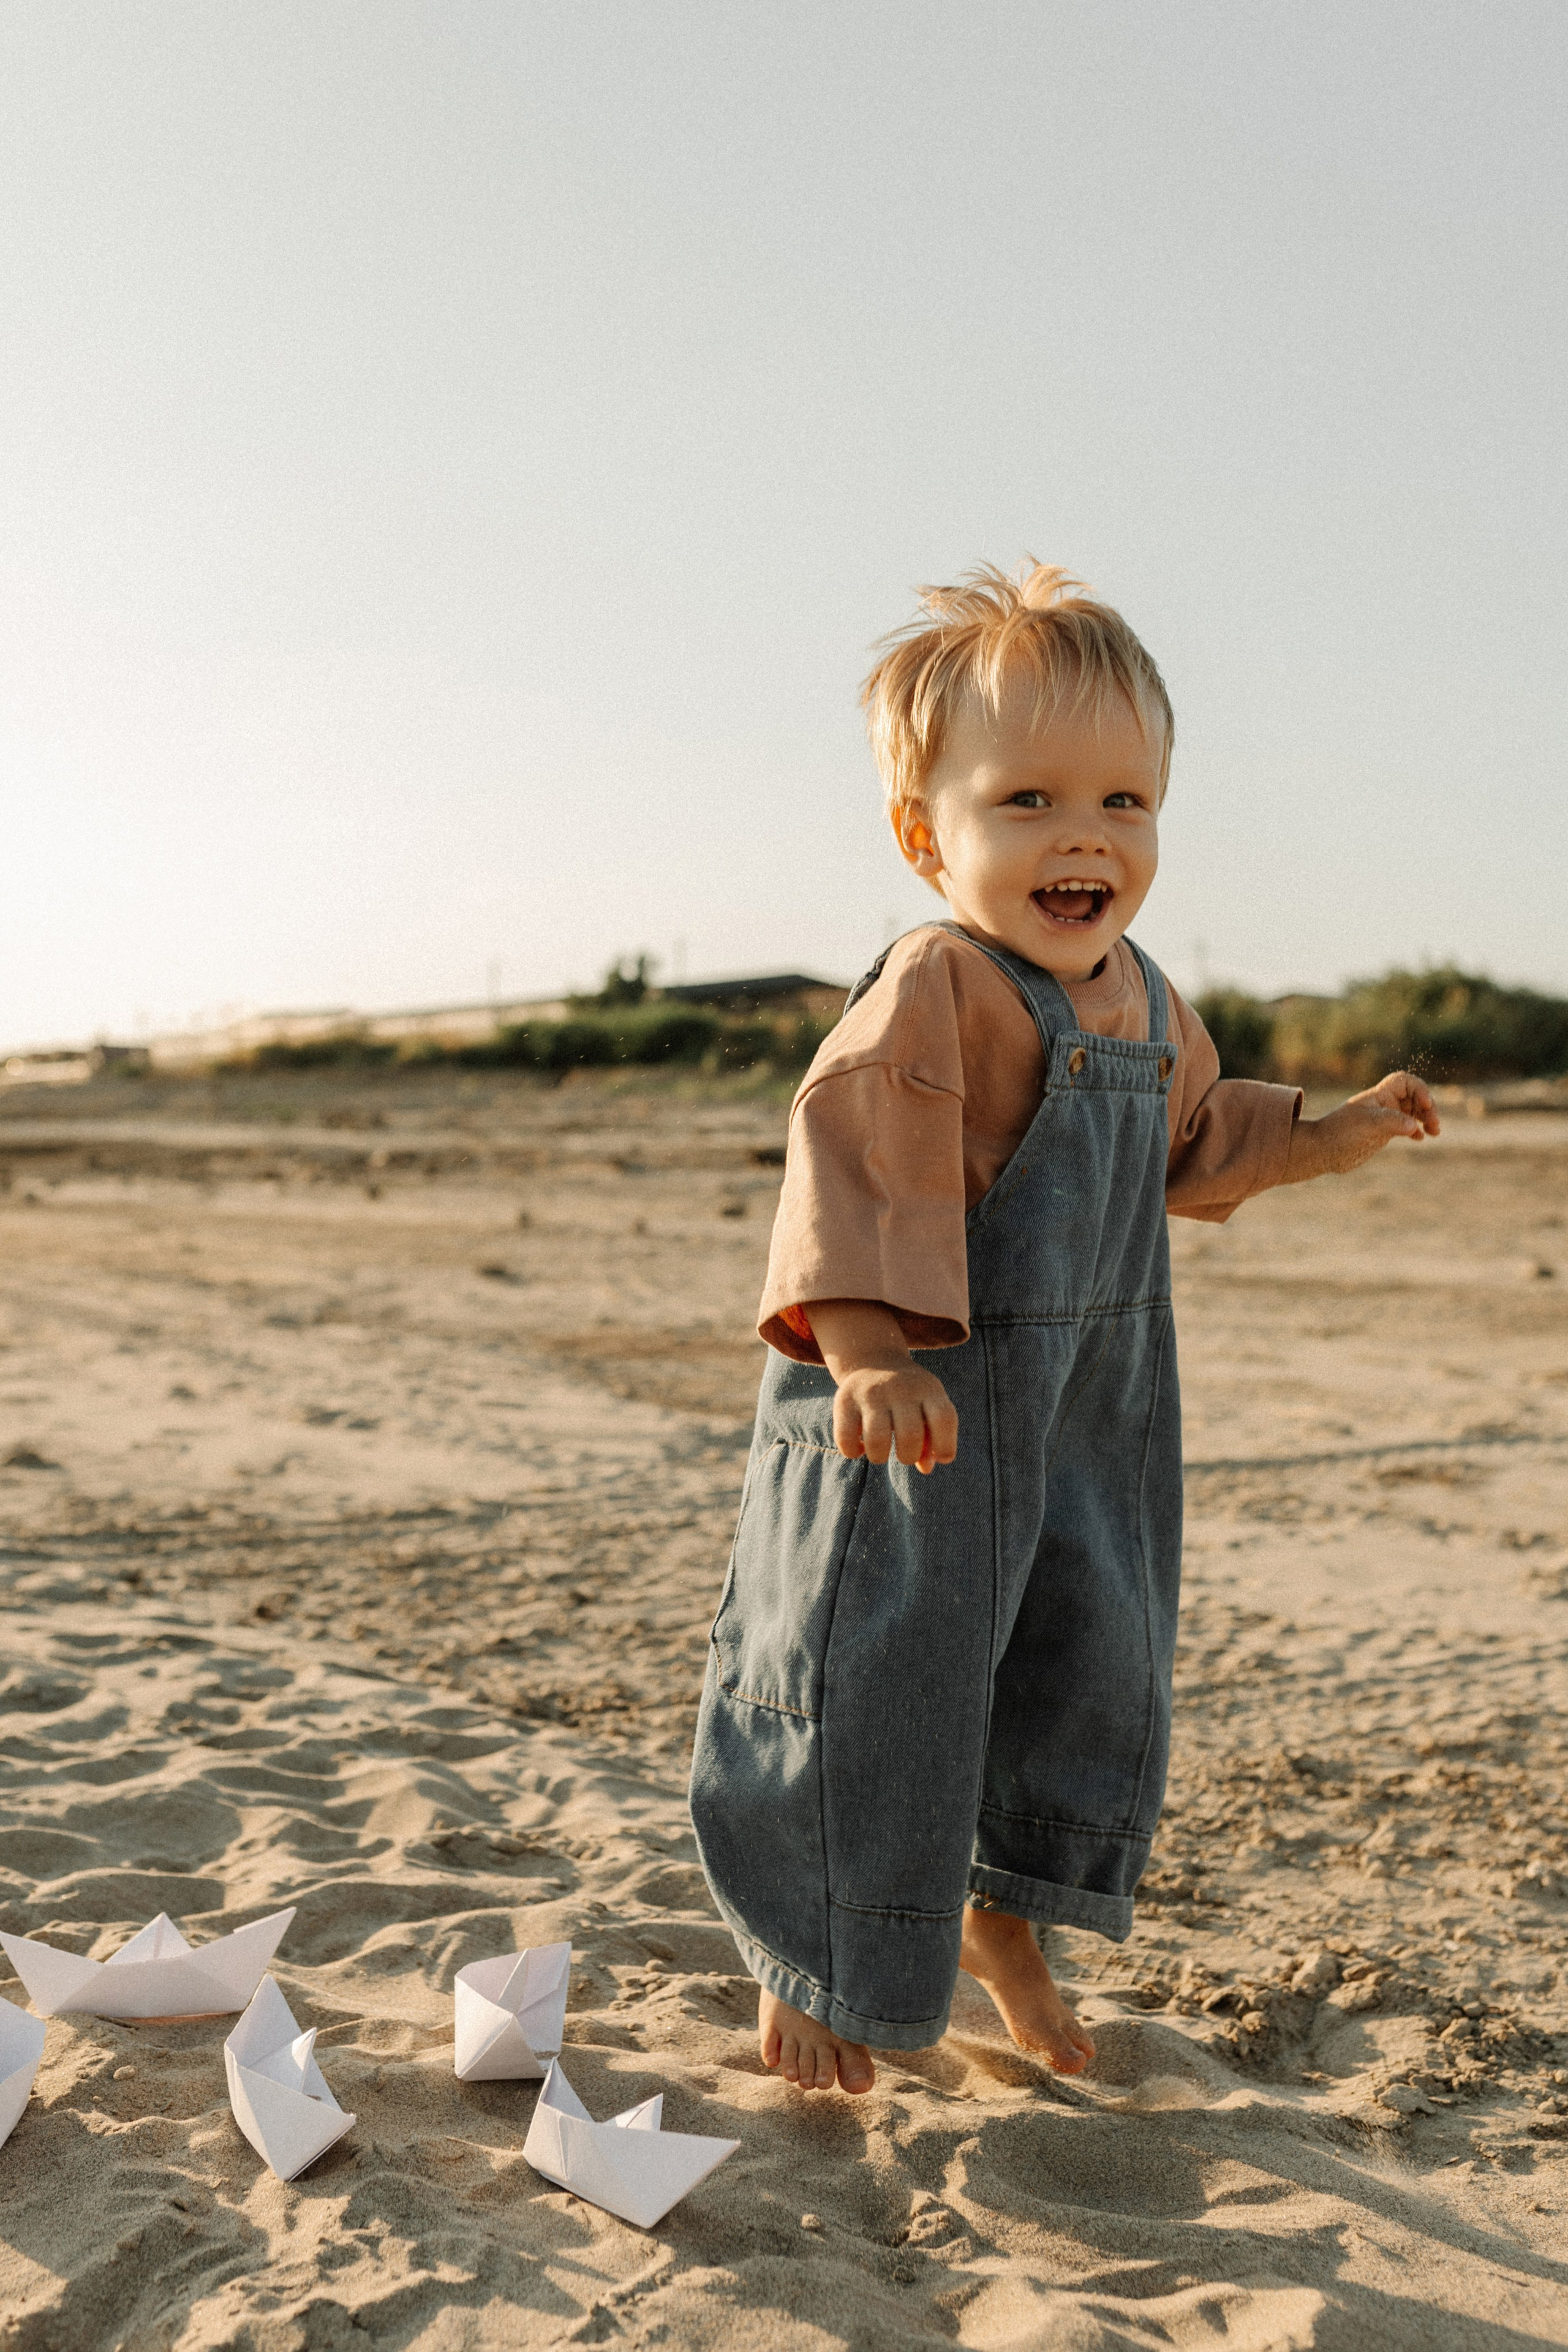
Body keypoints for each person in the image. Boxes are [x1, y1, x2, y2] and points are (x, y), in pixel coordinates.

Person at [688, 563, 1439, 2095]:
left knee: (1083, 1665)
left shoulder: (1145, 999)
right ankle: (821, 1950)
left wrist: (1330, 1130)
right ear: (927, 836)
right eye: (1023, 800)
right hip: (910, 1406)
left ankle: (998, 1915)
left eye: (1122, 801)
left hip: (1089, 1409)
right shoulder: (936, 988)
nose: (1082, 835)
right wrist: (867, 1353)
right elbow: (847, 1167)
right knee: (872, 1676)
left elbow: (1194, 1140)